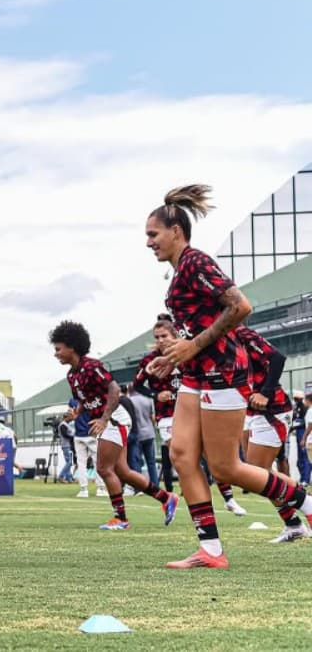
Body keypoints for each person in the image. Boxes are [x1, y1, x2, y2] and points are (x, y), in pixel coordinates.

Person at [144, 185, 312, 569]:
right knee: (182, 454)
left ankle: (306, 504)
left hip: (221, 372)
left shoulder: (196, 262)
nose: (149, 242)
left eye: (153, 234)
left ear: (176, 231)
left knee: (226, 469)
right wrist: (174, 358)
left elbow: (241, 306)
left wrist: (190, 347)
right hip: (195, 375)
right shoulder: (180, 272)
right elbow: (197, 325)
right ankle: (212, 551)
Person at [50, 320, 179, 531]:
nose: (56, 354)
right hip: (107, 420)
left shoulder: (92, 366)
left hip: (115, 418)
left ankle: (121, 519)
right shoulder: (72, 375)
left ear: (71, 346)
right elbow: (86, 399)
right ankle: (166, 498)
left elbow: (113, 390)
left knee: (103, 468)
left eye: (58, 349)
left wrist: (104, 418)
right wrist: (77, 412)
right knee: (123, 471)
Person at [234, 326, 307, 542]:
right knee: (255, 475)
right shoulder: (212, 341)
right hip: (248, 411)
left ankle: (306, 502)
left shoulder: (240, 333)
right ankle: (293, 524)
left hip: (271, 410)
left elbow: (277, 357)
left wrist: (265, 392)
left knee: (258, 474)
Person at [133, 315, 181, 492]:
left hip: (189, 412)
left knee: (197, 455)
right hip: (166, 415)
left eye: (164, 336)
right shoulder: (149, 361)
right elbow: (137, 385)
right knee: (176, 455)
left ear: (174, 335)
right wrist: (156, 394)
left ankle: (226, 497)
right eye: (157, 337)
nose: (160, 340)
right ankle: (171, 491)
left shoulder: (186, 355)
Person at [69, 399, 106, 497]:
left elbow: (71, 414)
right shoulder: (93, 399)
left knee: (81, 463)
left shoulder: (73, 401)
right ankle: (100, 488)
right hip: (92, 433)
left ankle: (83, 489)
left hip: (79, 435)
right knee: (97, 462)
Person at [127, 382, 159, 489]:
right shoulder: (148, 399)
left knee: (136, 462)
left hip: (137, 434)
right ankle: (155, 485)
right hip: (149, 433)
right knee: (151, 462)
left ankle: (139, 486)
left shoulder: (130, 401)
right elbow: (153, 417)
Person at [293, 392, 310, 487]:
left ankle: (306, 479)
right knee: (300, 458)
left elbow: (308, 424)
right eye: (295, 398)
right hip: (299, 434)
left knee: (305, 457)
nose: (296, 400)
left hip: (303, 434)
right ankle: (303, 477)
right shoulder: (296, 408)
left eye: (298, 398)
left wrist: (304, 438)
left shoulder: (305, 409)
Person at [57, 417, 76, 483]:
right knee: (69, 462)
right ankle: (61, 476)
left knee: (68, 462)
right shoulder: (63, 425)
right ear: (66, 417)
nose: (71, 419)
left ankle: (69, 478)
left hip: (68, 445)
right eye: (69, 417)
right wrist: (73, 437)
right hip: (66, 445)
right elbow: (65, 435)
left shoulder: (66, 425)